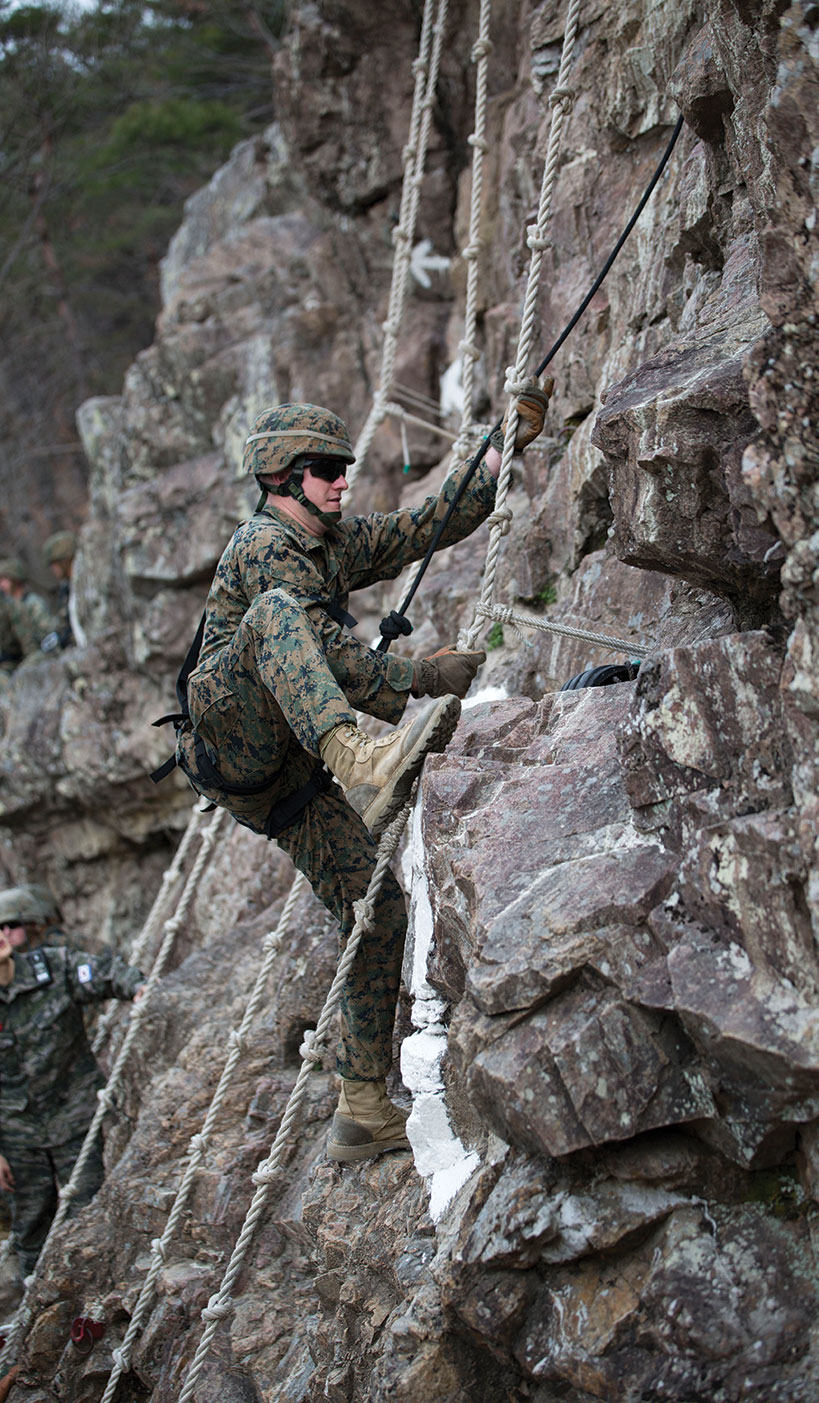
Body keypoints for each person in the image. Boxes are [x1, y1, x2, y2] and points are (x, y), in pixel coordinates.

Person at [176, 391, 550, 1162]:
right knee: (280, 614)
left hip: (285, 775)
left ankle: (362, 1104)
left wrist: (495, 451)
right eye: (324, 469)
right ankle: (362, 760)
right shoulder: (264, 547)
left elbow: (422, 529)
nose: (341, 480)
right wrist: (420, 675)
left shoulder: (330, 542)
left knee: (374, 907)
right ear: (281, 478)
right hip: (234, 731)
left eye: (343, 467)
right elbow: (323, 648)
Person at [0, 884, 145, 1277]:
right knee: (30, 1224)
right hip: (17, 1137)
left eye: (6, 927)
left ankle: (90, 1294)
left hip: (74, 1118)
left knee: (88, 1212)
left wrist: (138, 988)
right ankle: (34, 1299)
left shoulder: (54, 966)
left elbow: (108, 973)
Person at [0, 559, 54, 662]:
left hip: (37, 653)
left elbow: (46, 632)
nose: (1, 585)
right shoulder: (6, 608)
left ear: (15, 579)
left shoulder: (33, 603)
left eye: (4, 580)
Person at [41, 531, 76, 650]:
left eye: (54, 563)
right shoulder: (66, 587)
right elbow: (63, 625)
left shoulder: (84, 583)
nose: (53, 569)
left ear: (64, 560)